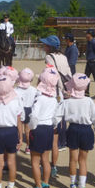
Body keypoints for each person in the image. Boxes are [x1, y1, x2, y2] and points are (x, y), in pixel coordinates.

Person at [55, 73, 95, 188]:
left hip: (72, 130)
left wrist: (53, 126)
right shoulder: (89, 101)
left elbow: (57, 116)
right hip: (86, 130)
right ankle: (82, 187)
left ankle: (72, 183)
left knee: (73, 159)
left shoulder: (67, 102)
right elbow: (94, 117)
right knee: (83, 160)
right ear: (86, 87)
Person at [40, 35, 72, 177]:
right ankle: (54, 166)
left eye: (45, 45)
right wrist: (67, 90)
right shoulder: (63, 57)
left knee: (50, 131)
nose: (44, 47)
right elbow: (69, 74)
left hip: (54, 92)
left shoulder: (49, 58)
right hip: (64, 93)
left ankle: (45, 164)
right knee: (57, 132)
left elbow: (53, 76)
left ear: (50, 47)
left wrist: (60, 89)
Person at [28, 67, 60, 188]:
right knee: (45, 159)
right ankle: (46, 184)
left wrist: (31, 128)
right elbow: (56, 117)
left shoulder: (39, 98)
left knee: (35, 161)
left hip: (38, 128)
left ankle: (38, 187)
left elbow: (34, 116)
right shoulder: (54, 99)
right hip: (48, 129)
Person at [14, 68, 37, 155]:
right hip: (29, 109)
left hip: (18, 110)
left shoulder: (16, 90)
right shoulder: (34, 90)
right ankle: (28, 146)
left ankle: (17, 146)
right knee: (27, 130)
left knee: (17, 129)